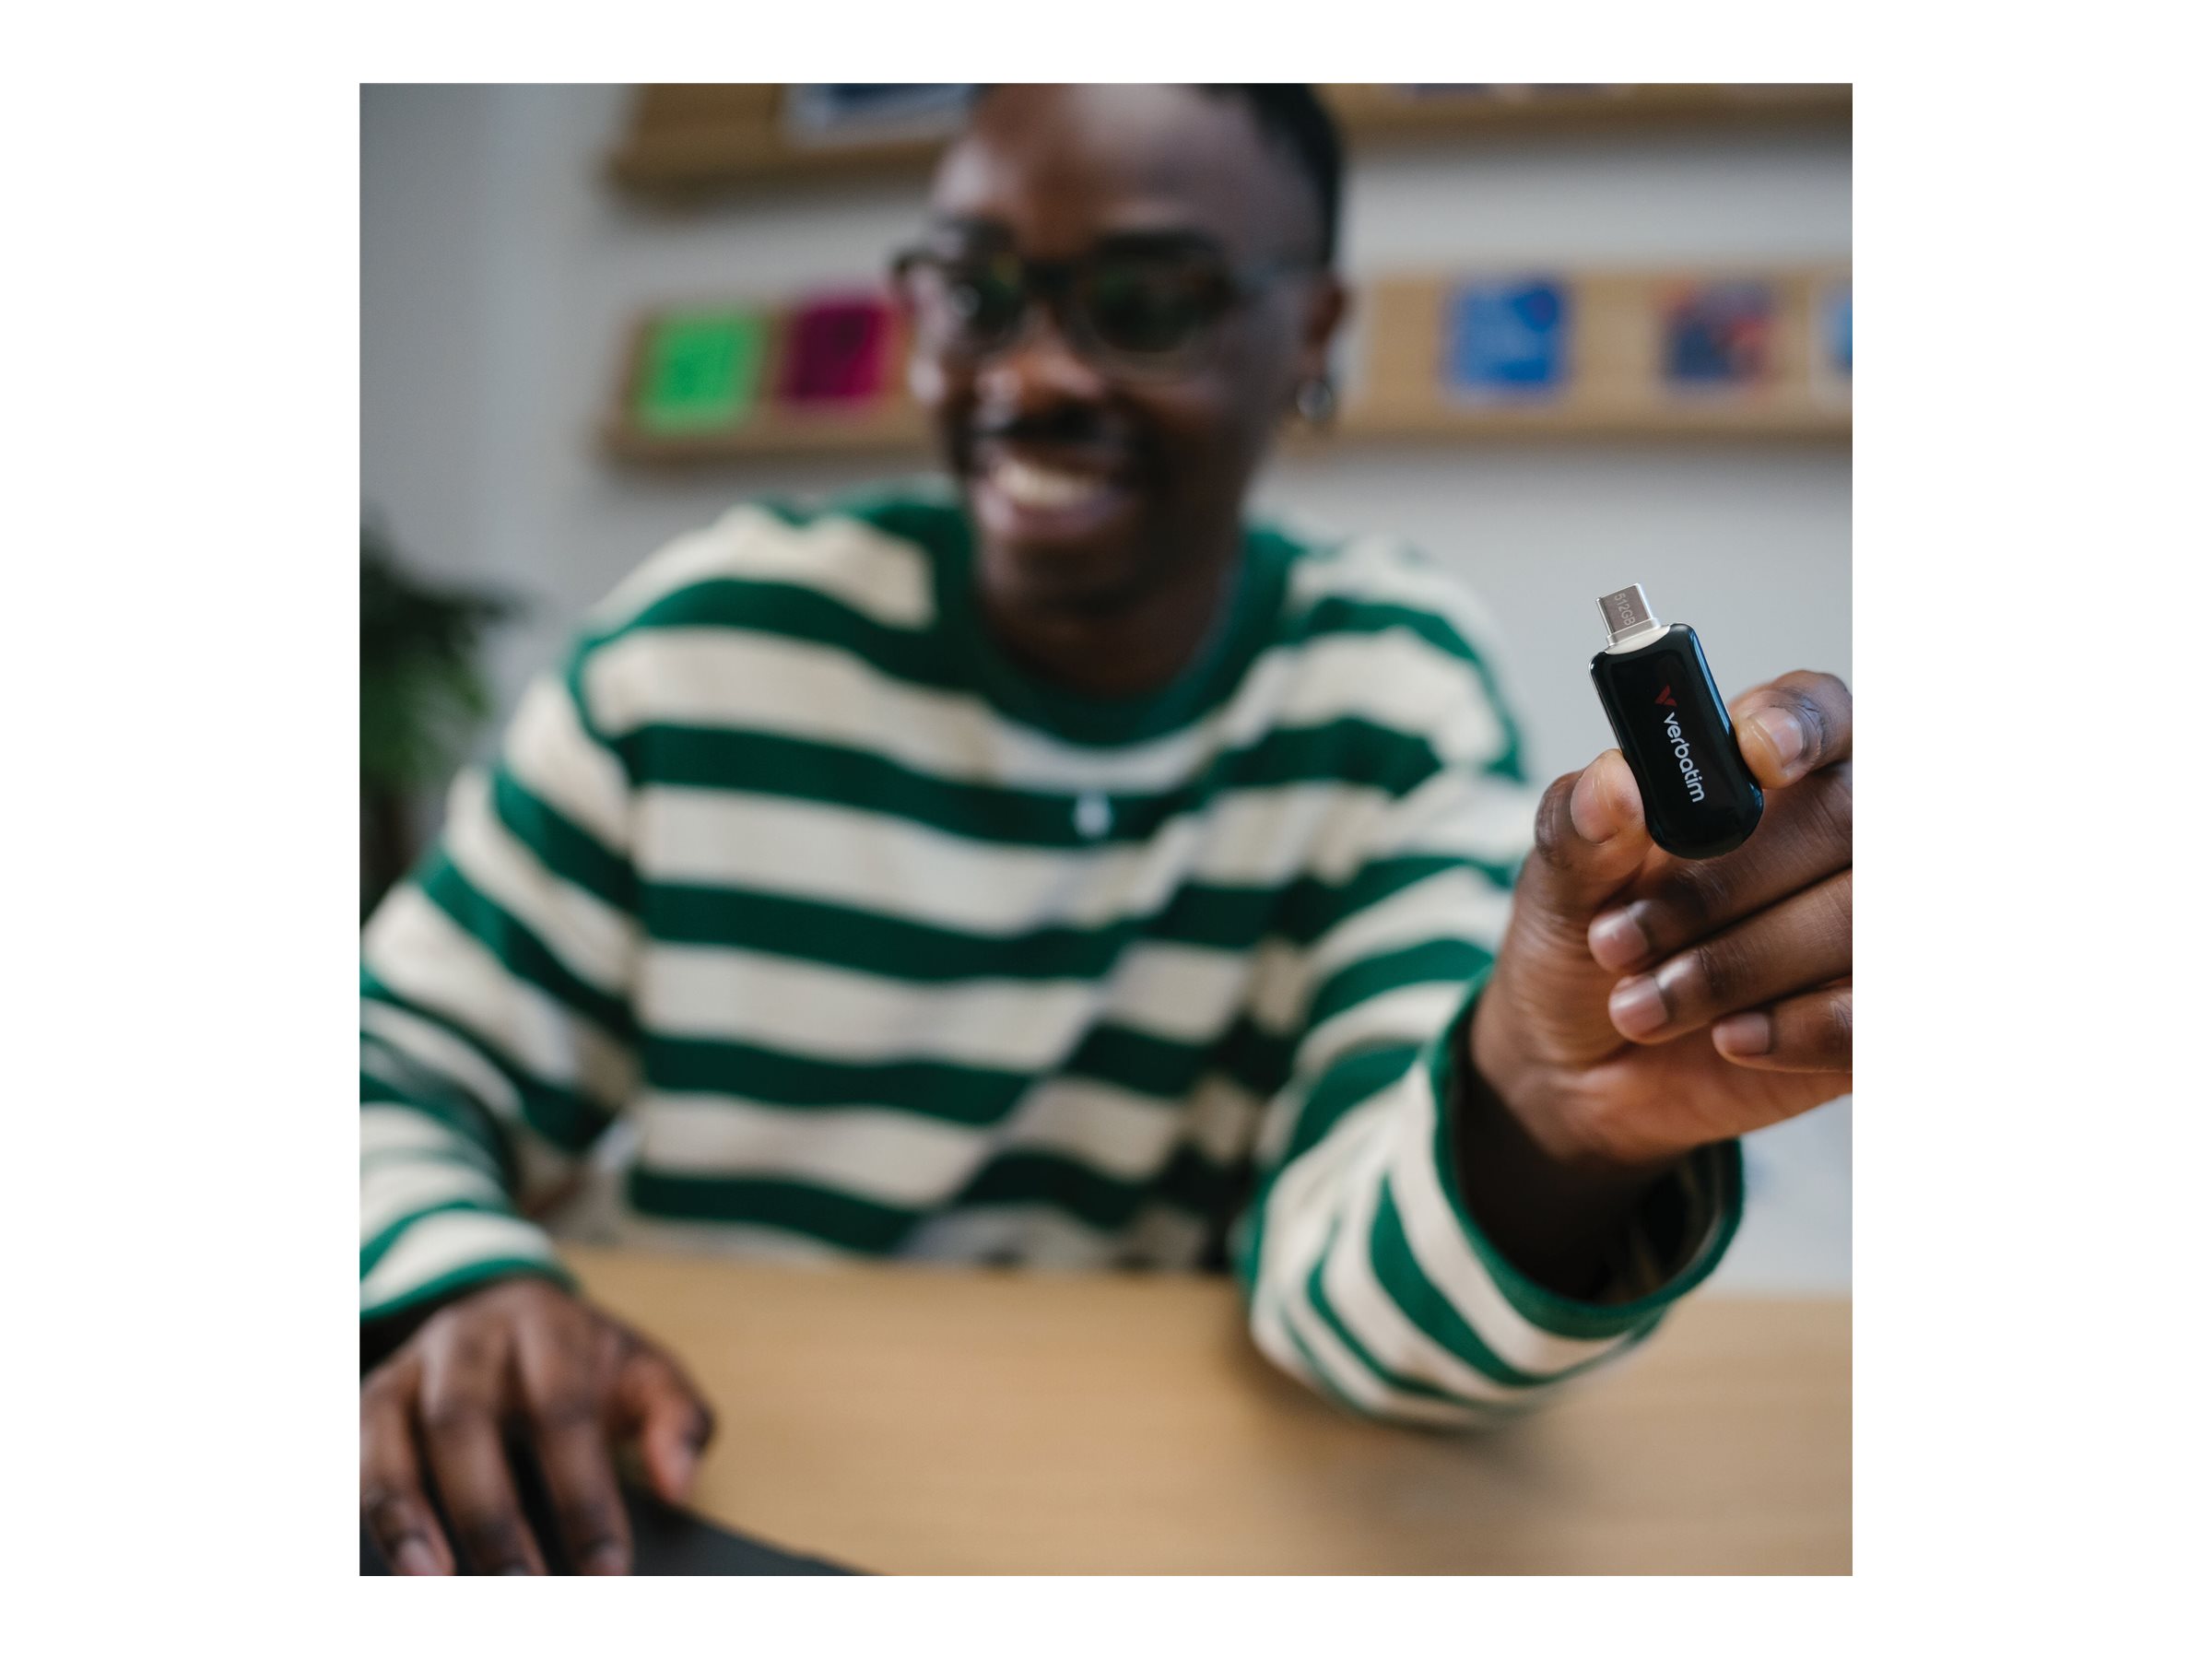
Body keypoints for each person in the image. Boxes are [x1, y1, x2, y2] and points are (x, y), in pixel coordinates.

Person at [359, 83, 1853, 1575]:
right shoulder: (702, 648)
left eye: (1147, 303)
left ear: (1312, 334)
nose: (1035, 372)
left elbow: (1364, 1307)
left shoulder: (1379, 693)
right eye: (976, 292)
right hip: (688, 1486)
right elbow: (380, 1066)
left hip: (1123, 1520)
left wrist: (1548, 1122)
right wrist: (459, 1289)